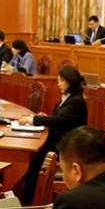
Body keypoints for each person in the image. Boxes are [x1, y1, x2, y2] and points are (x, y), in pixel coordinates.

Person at [17, 65, 88, 202]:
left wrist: (33, 119)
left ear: (71, 81)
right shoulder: (68, 98)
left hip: (64, 146)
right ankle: (28, 197)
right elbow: (58, 118)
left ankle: (32, 200)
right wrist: (46, 118)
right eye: (58, 80)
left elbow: (59, 120)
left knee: (33, 164)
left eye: (62, 81)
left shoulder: (76, 102)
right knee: (33, 160)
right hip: (58, 140)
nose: (59, 84)